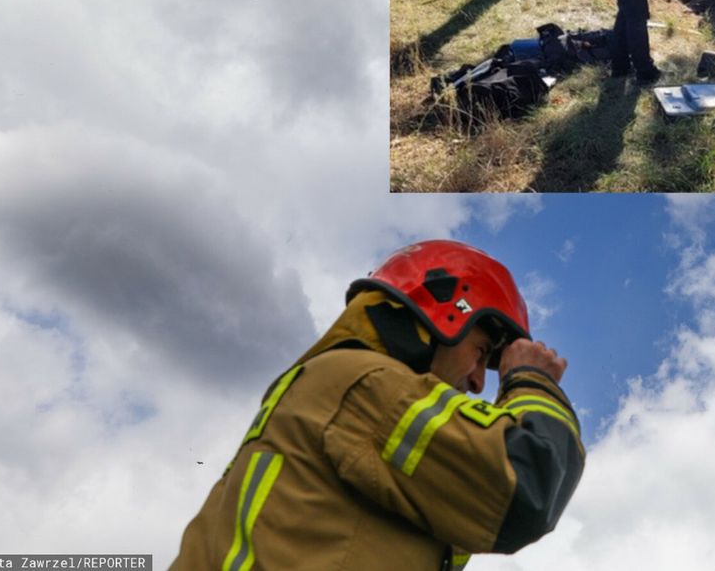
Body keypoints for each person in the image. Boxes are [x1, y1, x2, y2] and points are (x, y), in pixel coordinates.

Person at [172, 240, 583, 570]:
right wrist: (533, 382)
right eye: (481, 351)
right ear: (444, 315)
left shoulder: (335, 383)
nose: (478, 382)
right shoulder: (369, 384)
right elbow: (525, 487)